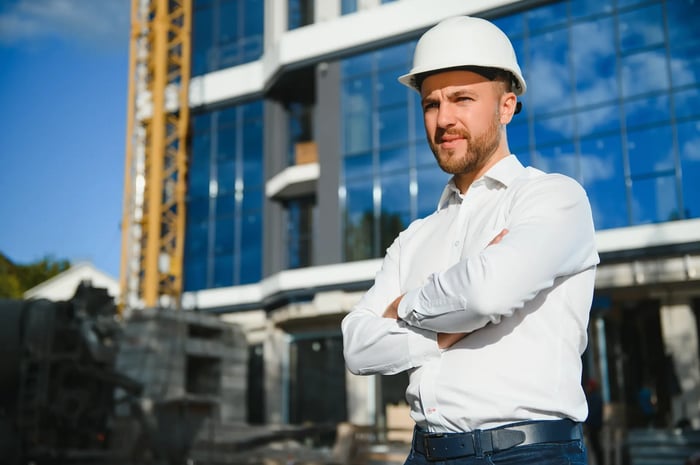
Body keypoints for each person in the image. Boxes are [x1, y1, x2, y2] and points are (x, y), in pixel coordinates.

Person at [341, 15, 599, 465]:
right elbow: (358, 346)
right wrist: (444, 332)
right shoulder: (415, 237)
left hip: (529, 454)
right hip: (424, 453)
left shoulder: (554, 198)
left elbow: (484, 294)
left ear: (506, 107)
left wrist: (404, 305)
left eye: (462, 99)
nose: (444, 120)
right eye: (430, 104)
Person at [585, 379, 604, 465]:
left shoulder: (594, 398)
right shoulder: (595, 397)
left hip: (594, 426)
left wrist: (587, 421)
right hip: (595, 425)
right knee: (595, 447)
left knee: (596, 447)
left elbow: (592, 412)